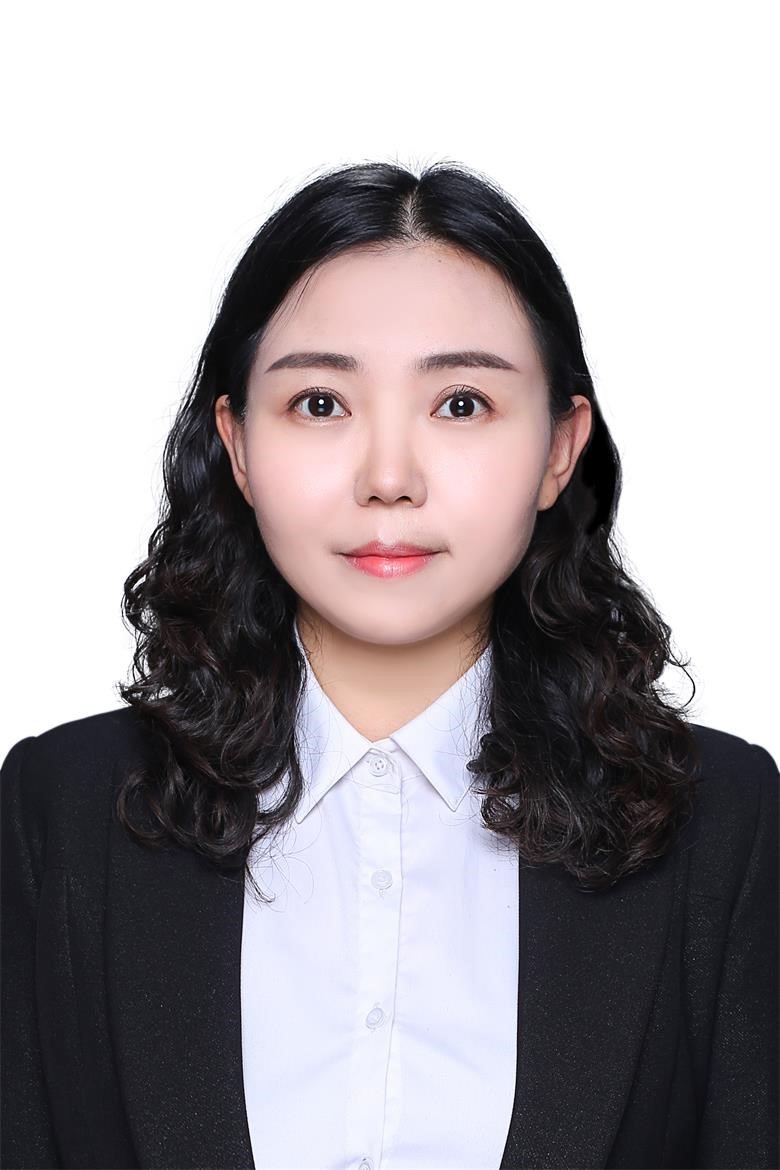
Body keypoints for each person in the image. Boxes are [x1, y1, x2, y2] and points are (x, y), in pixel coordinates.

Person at [1, 160, 777, 1170]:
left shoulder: (724, 822)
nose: (389, 478)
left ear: (560, 448)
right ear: (238, 445)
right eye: (321, 403)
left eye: (461, 403)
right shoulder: (60, 811)